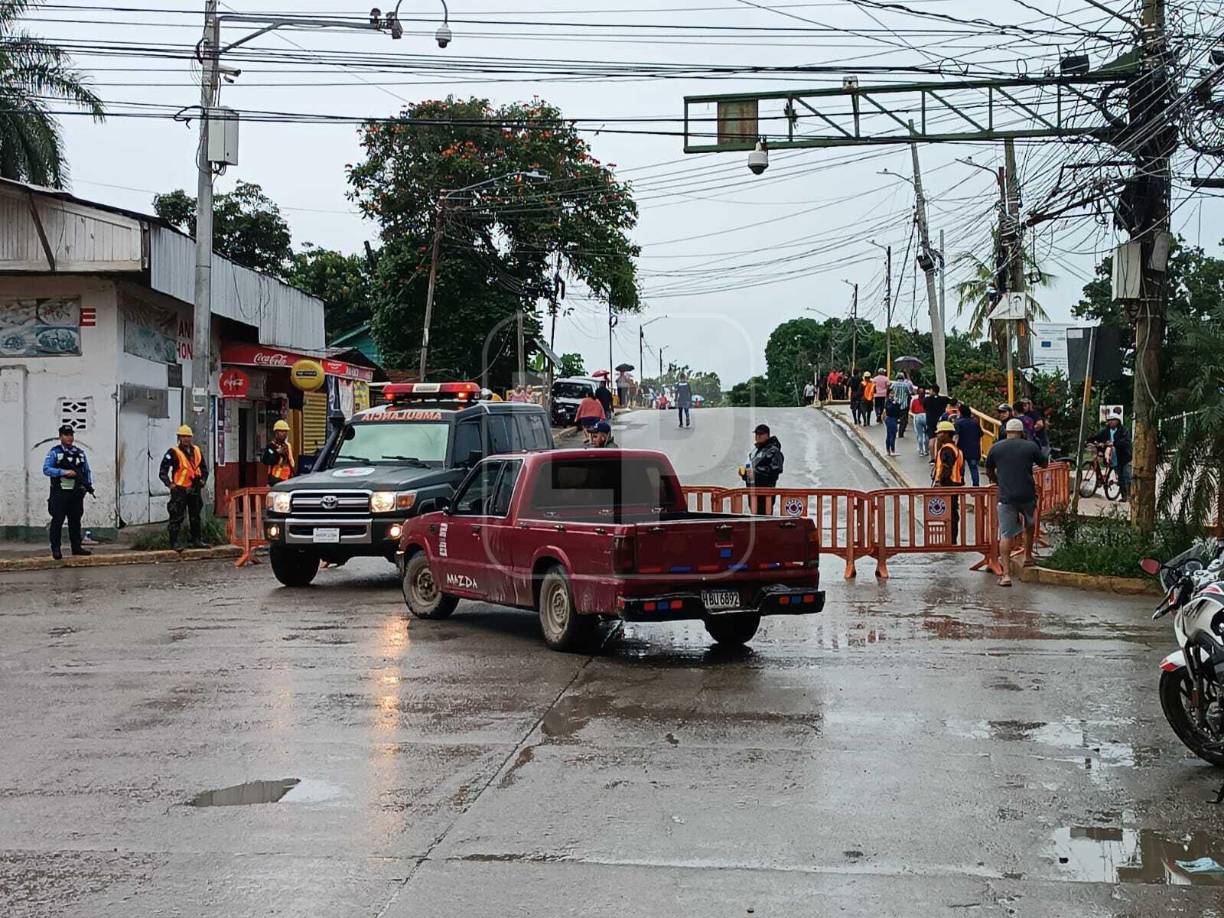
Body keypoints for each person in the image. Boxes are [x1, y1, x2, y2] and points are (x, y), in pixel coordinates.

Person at [986, 417, 1050, 586]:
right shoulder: (1030, 446)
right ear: (1022, 432)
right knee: (1030, 525)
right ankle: (1028, 557)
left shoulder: (996, 447)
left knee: (1006, 534)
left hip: (1006, 497)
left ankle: (1006, 575)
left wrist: (997, 481)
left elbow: (989, 469)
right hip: (1027, 495)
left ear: (1006, 432)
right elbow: (1044, 464)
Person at [43, 424, 94, 560]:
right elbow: (46, 469)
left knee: (75, 521)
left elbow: (86, 471)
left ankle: (76, 547)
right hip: (60, 493)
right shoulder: (55, 452)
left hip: (76, 493)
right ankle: (56, 549)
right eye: (66, 435)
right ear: (60, 437)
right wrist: (64, 472)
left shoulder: (79, 453)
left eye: (71, 434)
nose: (69, 437)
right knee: (58, 521)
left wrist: (87, 486)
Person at [160, 425, 208, 550]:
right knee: (177, 516)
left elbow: (203, 468)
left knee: (195, 515)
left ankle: (196, 540)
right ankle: (174, 543)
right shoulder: (173, 452)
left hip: (195, 488)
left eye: (188, 436)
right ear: (179, 438)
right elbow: (163, 471)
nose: (186, 439)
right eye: (184, 436)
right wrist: (170, 484)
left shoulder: (197, 450)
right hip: (180, 489)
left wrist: (203, 480)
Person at [1089, 411, 1132, 500]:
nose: (1110, 422)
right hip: (1112, 457)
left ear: (1117, 421)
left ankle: (1129, 496)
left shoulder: (1123, 430)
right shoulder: (1105, 431)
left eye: (1113, 420)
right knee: (1120, 478)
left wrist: (1114, 443)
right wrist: (1089, 441)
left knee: (1126, 477)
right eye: (1109, 420)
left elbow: (1126, 442)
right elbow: (1097, 437)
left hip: (1123, 457)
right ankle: (1124, 497)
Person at [742, 423, 784, 515]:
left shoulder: (773, 450)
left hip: (765, 491)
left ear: (767, 435)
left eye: (760, 434)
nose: (758, 436)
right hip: (753, 490)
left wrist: (755, 472)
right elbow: (750, 467)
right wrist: (744, 473)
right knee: (754, 516)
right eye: (756, 434)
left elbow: (776, 469)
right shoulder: (755, 451)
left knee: (764, 518)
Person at [932, 420, 963, 541]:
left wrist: (939, 482)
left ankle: (951, 539)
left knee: (950, 514)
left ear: (946, 434)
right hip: (954, 484)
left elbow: (946, 467)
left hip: (948, 484)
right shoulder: (954, 448)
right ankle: (951, 538)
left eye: (939, 433)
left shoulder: (947, 450)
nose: (937, 436)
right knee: (952, 512)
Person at [954, 404, 984, 486]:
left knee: (960, 468)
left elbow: (956, 436)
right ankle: (976, 486)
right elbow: (981, 434)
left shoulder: (958, 423)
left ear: (960, 412)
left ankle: (960, 483)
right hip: (974, 449)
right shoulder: (975, 422)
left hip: (961, 450)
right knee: (974, 468)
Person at [261, 419, 296, 486]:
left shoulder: (288, 446)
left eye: (285, 431)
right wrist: (277, 453)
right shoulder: (270, 447)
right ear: (276, 433)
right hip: (274, 479)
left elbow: (291, 462)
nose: (284, 433)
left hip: (287, 478)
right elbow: (266, 461)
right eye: (282, 431)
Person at [923, 385, 950, 461]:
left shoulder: (927, 400)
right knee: (940, 439)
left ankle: (932, 458)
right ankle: (939, 456)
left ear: (932, 390)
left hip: (930, 421)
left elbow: (924, 406)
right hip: (941, 422)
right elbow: (952, 401)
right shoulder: (943, 399)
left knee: (931, 439)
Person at [890, 372, 914, 437]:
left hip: (895, 404)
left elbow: (890, 392)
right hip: (904, 405)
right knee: (903, 421)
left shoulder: (893, 385)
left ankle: (894, 430)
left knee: (894, 419)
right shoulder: (905, 385)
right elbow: (909, 393)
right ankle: (901, 433)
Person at [911, 387, 929, 456]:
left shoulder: (915, 401)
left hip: (918, 416)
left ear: (918, 393)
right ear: (924, 393)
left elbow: (912, 410)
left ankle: (921, 451)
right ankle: (926, 450)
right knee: (927, 434)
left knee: (920, 435)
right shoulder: (927, 400)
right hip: (926, 416)